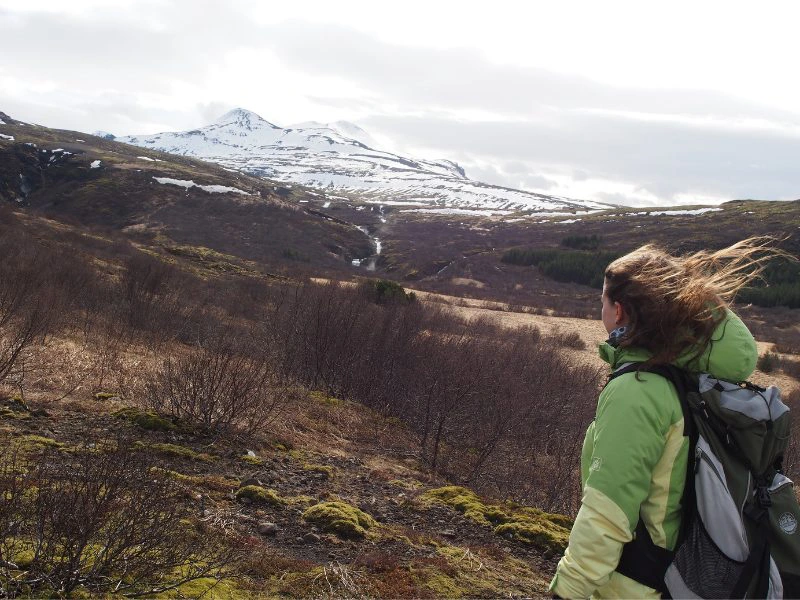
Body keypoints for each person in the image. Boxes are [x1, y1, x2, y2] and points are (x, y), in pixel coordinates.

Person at [549, 238, 778, 599]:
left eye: (603, 302)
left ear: (619, 311)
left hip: (636, 587)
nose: (602, 311)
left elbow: (607, 513)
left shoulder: (638, 390)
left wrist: (567, 590)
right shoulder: (689, 378)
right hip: (681, 580)